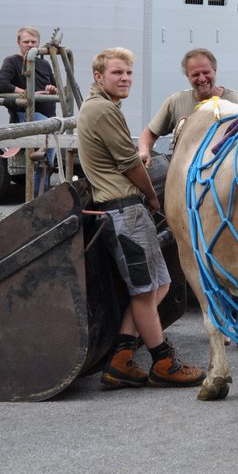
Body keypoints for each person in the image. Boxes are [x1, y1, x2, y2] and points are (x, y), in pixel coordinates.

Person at [79, 47, 205, 390]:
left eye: (129, 73)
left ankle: (120, 358)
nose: (125, 79)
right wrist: (153, 196)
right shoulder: (103, 110)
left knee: (159, 284)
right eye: (118, 73)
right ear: (99, 77)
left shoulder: (102, 107)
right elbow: (129, 164)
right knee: (146, 291)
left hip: (125, 209)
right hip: (123, 210)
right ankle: (163, 362)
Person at [138, 48, 238, 167]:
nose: (202, 79)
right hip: (184, 175)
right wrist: (144, 151)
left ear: (215, 70)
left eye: (206, 72)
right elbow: (149, 133)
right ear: (187, 76)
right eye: (195, 75)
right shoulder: (176, 102)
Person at [0, 26, 59, 195]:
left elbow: (55, 85)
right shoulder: (12, 62)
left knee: (47, 158)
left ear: (38, 43)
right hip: (27, 115)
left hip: (48, 116)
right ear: (19, 43)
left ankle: (41, 192)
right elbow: (1, 84)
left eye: (33, 42)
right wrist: (26, 93)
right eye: (26, 42)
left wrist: (52, 89)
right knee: (50, 131)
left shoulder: (44, 64)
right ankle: (38, 197)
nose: (30, 45)